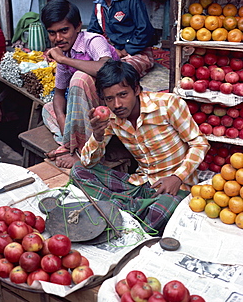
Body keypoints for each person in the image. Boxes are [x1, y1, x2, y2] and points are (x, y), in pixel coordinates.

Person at [70, 60, 210, 235]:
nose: (117, 104)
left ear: (136, 90)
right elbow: (87, 163)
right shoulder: (111, 118)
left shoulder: (168, 104)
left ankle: (119, 209)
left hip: (174, 189)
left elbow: (199, 143)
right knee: (78, 170)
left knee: (167, 206)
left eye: (122, 94)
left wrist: (177, 177)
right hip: (141, 185)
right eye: (109, 99)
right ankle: (132, 210)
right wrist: (97, 136)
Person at [41, 0, 120, 168]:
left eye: (64, 31)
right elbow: (59, 94)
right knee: (48, 109)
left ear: (78, 26)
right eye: (52, 33)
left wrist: (63, 60)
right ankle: (70, 144)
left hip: (112, 109)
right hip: (86, 111)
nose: (58, 38)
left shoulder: (93, 40)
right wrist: (64, 125)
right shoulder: (65, 52)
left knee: (79, 79)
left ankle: (82, 153)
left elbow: (106, 67)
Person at [88, 0, 155, 77]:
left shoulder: (131, 2)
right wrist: (110, 50)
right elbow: (93, 33)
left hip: (136, 53)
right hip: (111, 52)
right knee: (88, 68)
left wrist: (126, 51)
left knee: (120, 73)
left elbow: (144, 30)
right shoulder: (98, 6)